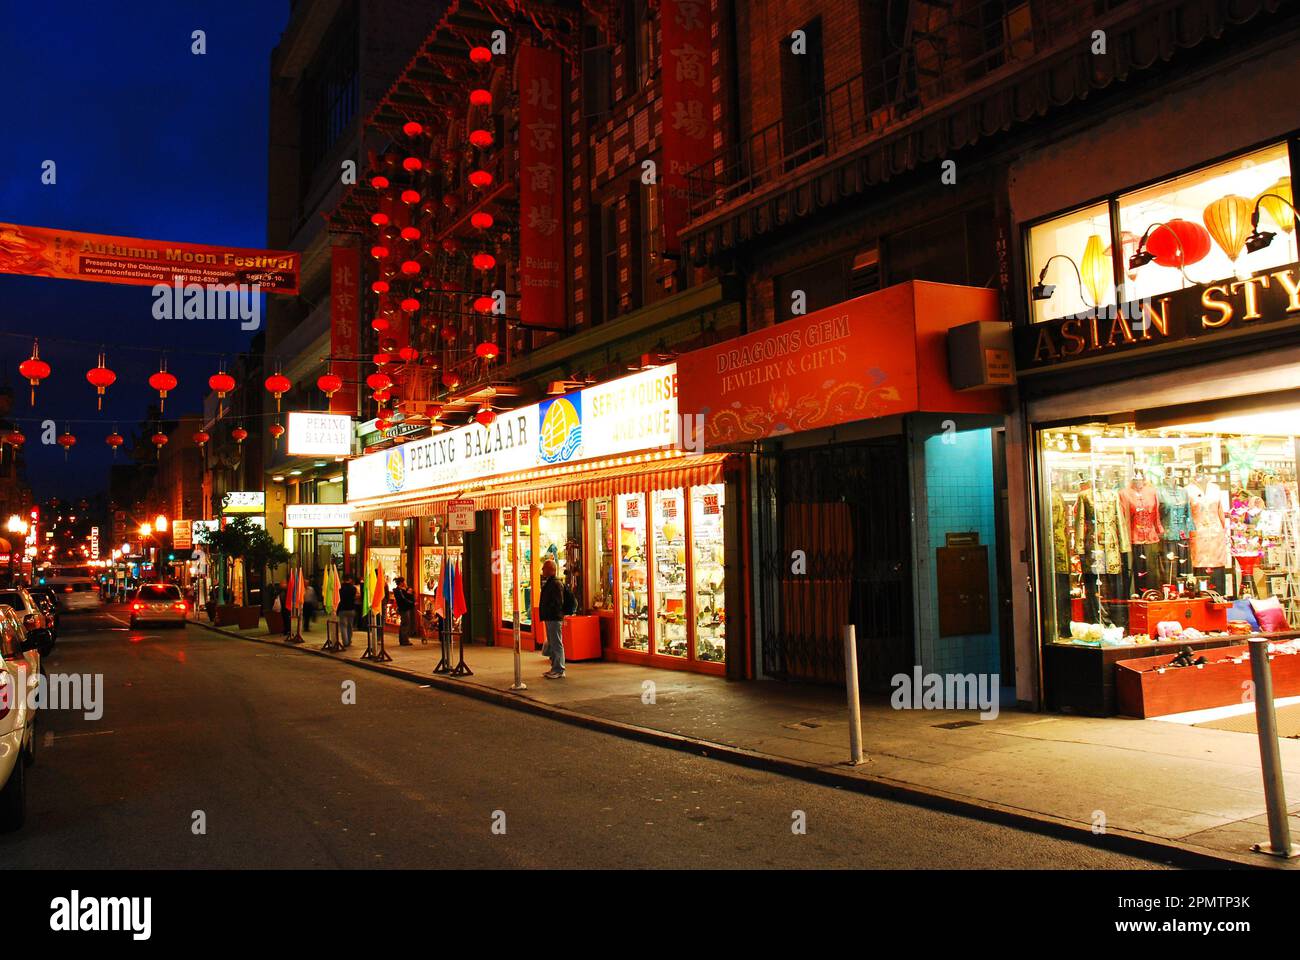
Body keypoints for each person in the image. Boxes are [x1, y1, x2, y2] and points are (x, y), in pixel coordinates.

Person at [538, 558, 568, 679]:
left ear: (551, 570)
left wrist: (550, 611)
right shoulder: (551, 582)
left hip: (554, 618)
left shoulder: (555, 583)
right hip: (550, 617)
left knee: (556, 643)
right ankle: (555, 667)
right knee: (552, 643)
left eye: (544, 568)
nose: (542, 570)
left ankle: (559, 669)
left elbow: (557, 602)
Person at [394, 578, 416, 645]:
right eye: (404, 581)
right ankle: (404, 640)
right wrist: (412, 603)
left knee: (404, 624)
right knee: (405, 624)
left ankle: (402, 640)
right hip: (404, 609)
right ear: (401, 583)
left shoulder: (401, 590)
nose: (405, 583)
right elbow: (404, 600)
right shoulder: (399, 591)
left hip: (404, 608)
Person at [337, 576, 357, 648]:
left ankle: (345, 642)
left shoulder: (340, 589)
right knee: (350, 626)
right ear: (350, 579)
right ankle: (349, 640)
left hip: (342, 609)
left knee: (343, 626)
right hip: (351, 609)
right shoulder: (353, 588)